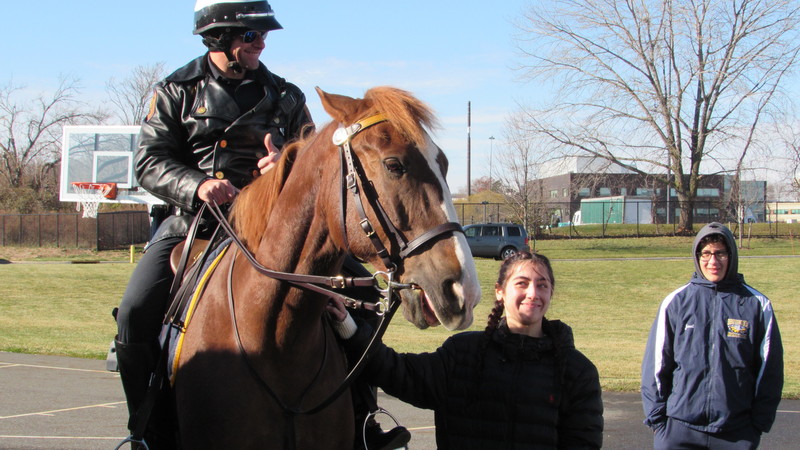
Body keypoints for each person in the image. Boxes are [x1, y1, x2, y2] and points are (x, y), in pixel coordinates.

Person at [114, 2, 407, 449]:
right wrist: (197, 185)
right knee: (135, 313)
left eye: (262, 35)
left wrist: (282, 168)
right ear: (218, 36)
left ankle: (366, 419)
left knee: (361, 293)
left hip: (275, 231)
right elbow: (149, 162)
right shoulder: (176, 90)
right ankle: (148, 431)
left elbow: (316, 165)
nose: (261, 43)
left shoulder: (286, 97)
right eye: (251, 35)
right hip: (198, 226)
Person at [328, 251, 604, 449]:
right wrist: (349, 328)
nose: (533, 293)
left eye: (542, 285)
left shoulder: (577, 372)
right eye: (522, 283)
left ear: (550, 293)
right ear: (500, 291)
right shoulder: (463, 354)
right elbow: (398, 373)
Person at [641, 222, 784, 450]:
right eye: (706, 253)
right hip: (679, 431)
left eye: (720, 253)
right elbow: (656, 366)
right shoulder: (676, 303)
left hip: (736, 433)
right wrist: (659, 421)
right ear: (697, 256)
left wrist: (757, 424)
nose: (713, 262)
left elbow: (770, 371)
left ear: (731, 256)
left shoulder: (757, 305)